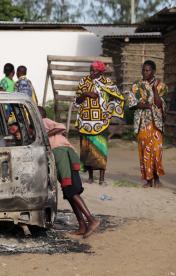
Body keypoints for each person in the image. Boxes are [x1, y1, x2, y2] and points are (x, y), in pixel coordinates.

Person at [39, 106, 100, 238]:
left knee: (71, 190)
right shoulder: (41, 125)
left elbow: (61, 126)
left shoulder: (44, 121)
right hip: (62, 155)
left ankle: (91, 220)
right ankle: (82, 225)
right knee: (69, 193)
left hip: (62, 154)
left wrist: (45, 134)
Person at [75, 61, 124, 185]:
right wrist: (86, 94)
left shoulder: (107, 83)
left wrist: (110, 111)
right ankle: (91, 177)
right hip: (85, 122)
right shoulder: (83, 81)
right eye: (90, 70)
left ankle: (101, 178)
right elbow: (77, 101)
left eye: (94, 70)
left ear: (101, 72)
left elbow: (118, 97)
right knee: (88, 150)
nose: (91, 72)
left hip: (101, 122)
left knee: (101, 150)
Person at [127, 60, 168, 188]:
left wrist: (154, 88)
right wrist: (146, 106)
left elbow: (160, 104)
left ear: (153, 71)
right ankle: (148, 179)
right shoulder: (136, 86)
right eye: (143, 70)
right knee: (145, 151)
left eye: (147, 70)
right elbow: (132, 104)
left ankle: (156, 178)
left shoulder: (162, 86)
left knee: (157, 151)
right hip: (142, 123)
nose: (144, 72)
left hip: (156, 124)